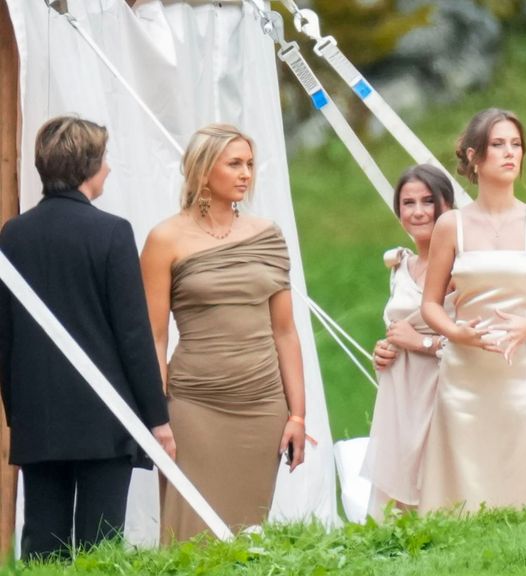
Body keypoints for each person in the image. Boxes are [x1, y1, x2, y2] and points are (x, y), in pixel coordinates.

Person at [0, 116, 174, 559]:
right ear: (88, 166)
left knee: (43, 548)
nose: (110, 168)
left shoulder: (12, 236)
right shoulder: (112, 232)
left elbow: (6, 338)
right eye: (105, 159)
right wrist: (157, 419)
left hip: (39, 418)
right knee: (100, 550)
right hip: (105, 418)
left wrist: (17, 415)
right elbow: (133, 336)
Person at [140, 124, 306, 543]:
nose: (246, 173)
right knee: (189, 534)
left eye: (249, 164)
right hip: (194, 405)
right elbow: (154, 337)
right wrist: (157, 417)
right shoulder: (165, 239)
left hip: (262, 405)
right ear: (202, 170)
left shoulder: (267, 235)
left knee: (247, 534)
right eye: (234, 163)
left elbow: (285, 332)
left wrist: (298, 415)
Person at [418, 108, 526, 512]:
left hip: (524, 369)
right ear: (473, 157)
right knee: (466, 485)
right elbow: (431, 304)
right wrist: (455, 333)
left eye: (516, 144)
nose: (510, 153)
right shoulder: (451, 226)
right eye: (498, 144)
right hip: (465, 374)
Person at [361, 164, 456, 518]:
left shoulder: (462, 266)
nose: (418, 211)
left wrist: (422, 344)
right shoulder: (400, 264)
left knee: (441, 484)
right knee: (398, 498)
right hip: (401, 390)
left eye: (428, 201)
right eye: (408, 203)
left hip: (444, 388)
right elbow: (396, 326)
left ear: (446, 205)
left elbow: (477, 340)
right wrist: (385, 349)